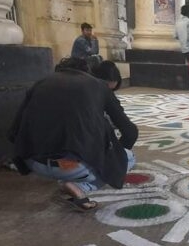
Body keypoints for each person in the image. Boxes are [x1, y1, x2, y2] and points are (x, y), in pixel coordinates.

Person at [8, 57, 138, 211]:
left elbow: (13, 132)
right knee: (129, 158)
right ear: (88, 72)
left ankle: (67, 175)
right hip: (69, 166)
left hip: (34, 162)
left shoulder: (40, 83)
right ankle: (80, 187)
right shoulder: (97, 86)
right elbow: (130, 131)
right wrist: (114, 159)